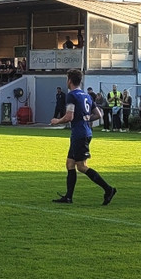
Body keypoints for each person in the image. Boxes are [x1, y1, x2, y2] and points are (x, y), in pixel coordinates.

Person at [49, 69, 116, 205]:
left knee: (81, 166)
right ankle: (68, 197)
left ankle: (108, 189)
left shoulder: (71, 95)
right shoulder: (86, 95)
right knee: (70, 163)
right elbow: (99, 114)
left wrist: (57, 121)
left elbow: (69, 116)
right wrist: (87, 118)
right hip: (83, 133)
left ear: (69, 80)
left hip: (80, 134)